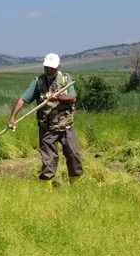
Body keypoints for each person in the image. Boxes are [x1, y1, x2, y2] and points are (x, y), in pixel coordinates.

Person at [7, 53, 83, 184]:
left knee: (73, 155)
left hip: (66, 126)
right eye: (47, 67)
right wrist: (12, 118)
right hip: (47, 128)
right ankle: (46, 189)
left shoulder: (66, 79)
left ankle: (75, 186)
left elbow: (72, 98)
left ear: (58, 67)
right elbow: (22, 100)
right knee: (49, 160)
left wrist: (57, 97)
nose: (49, 70)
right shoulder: (38, 82)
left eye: (52, 68)